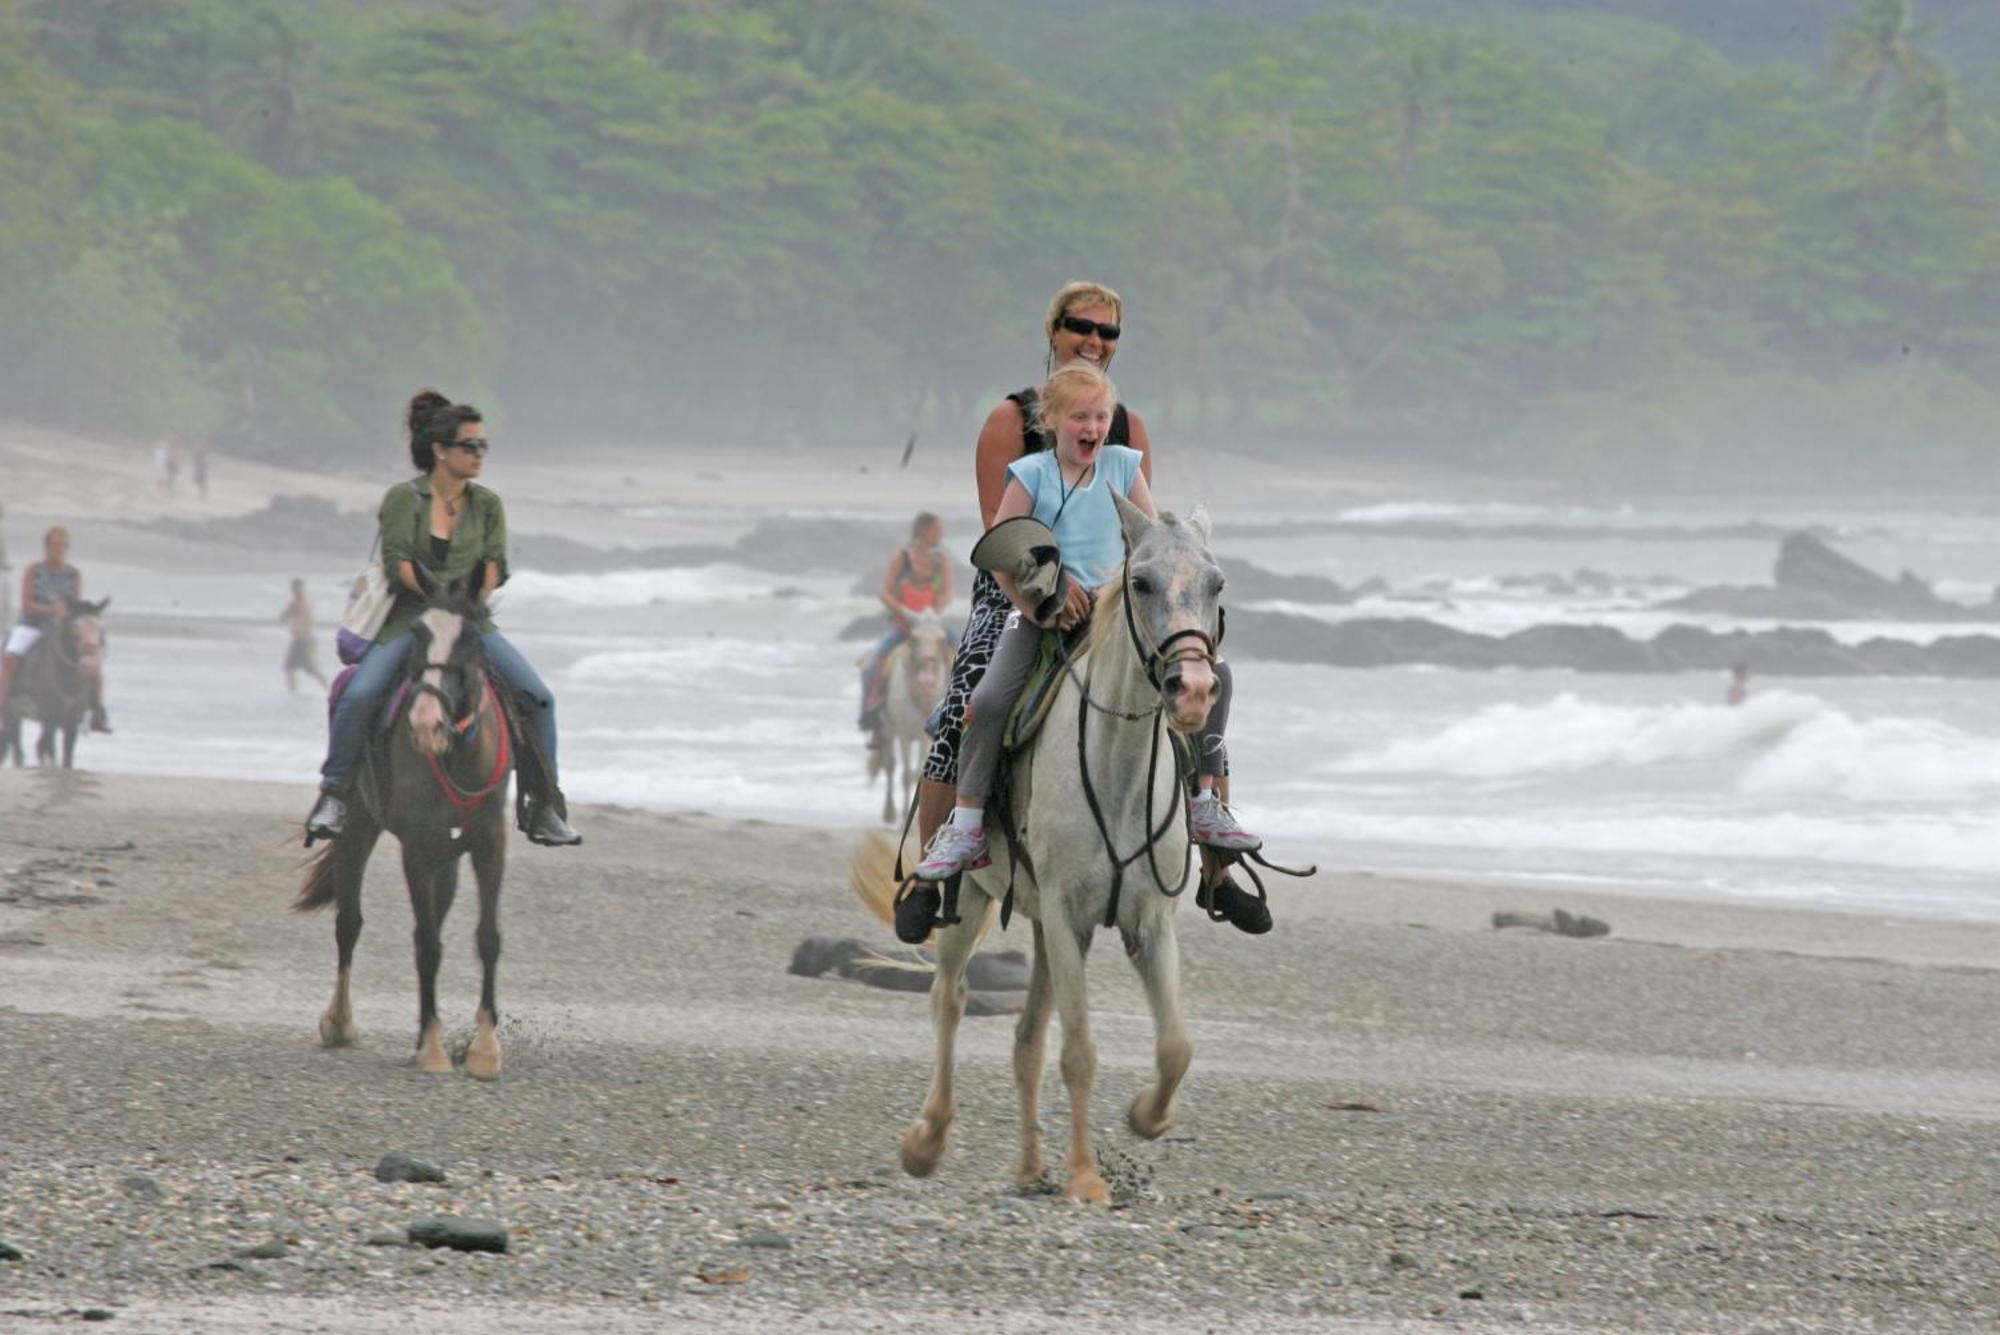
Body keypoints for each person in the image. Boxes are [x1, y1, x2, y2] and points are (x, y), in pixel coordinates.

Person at [903, 281, 1268, 936]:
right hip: (1017, 591)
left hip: (1112, 596)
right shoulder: (1010, 420)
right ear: (1054, 330)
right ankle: (934, 873)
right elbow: (999, 528)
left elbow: (1144, 533)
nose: (1095, 341)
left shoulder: (1127, 430)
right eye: (1082, 326)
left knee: (1195, 680)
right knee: (968, 699)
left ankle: (1215, 865)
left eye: (1108, 332)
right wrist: (1050, 583)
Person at [304, 390, 581, 847]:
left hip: (470, 623)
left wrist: (471, 598)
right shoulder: (403, 500)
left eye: (483, 446)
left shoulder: (487, 504)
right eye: (469, 446)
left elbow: (495, 563)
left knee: (539, 699)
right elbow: (398, 565)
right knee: (360, 694)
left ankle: (544, 804)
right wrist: (437, 595)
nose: (479, 455)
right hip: (408, 622)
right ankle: (334, 794)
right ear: (440, 450)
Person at [0, 525, 111, 732]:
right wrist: (52, 609)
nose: (59, 549)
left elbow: (75, 605)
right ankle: (4, 704)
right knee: (10, 656)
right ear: (47, 547)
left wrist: (68, 617)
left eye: (63, 545)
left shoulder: (73, 574)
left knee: (93, 661)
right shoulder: (34, 571)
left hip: (62, 627)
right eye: (55, 545)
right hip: (33, 624)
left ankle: (96, 710)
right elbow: (27, 604)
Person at [858, 512, 952, 743]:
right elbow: (885, 593)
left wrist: (932, 613)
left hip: (930, 625)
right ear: (922, 531)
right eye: (936, 530)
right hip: (903, 625)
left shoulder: (941, 560)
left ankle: (957, 708)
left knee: (961, 655)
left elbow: (946, 593)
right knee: (874, 662)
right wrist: (904, 613)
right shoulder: (902, 559)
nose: (941, 534)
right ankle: (871, 710)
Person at [279, 578, 328, 694]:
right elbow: (285, 616)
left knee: (313, 669)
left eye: (298, 588)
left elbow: (284, 616)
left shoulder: (300, 603)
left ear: (301, 589)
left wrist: (287, 615)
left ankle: (330, 692)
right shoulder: (301, 602)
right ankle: (293, 694)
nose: (296, 591)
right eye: (295, 589)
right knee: (289, 668)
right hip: (300, 640)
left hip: (305, 641)